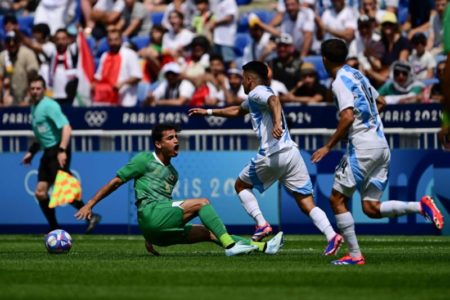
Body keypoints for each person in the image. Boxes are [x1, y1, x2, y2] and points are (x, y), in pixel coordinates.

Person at [189, 61, 343, 256]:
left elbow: (274, 100)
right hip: (291, 154)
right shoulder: (255, 98)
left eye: (244, 78)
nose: (242, 83)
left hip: (273, 154)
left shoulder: (258, 92)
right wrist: (208, 111)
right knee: (306, 202)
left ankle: (262, 224)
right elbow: (237, 110)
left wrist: (277, 123)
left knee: (241, 186)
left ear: (250, 80)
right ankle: (332, 236)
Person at [311, 39, 444, 265]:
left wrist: (328, 145)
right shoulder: (357, 75)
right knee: (370, 208)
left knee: (336, 199)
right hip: (381, 146)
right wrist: (368, 123)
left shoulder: (339, 82)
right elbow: (380, 101)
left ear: (324, 59)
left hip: (362, 148)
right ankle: (420, 206)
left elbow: (347, 116)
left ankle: (355, 256)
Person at [75, 123, 284, 256]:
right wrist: (90, 204)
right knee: (202, 202)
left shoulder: (173, 173)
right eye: (170, 138)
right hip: (150, 216)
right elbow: (115, 182)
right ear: (158, 144)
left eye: (176, 137)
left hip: (157, 233)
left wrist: (150, 236)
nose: (176, 141)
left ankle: (264, 248)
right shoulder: (143, 160)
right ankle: (231, 248)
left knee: (212, 234)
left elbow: (167, 206)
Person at [21, 76, 101, 233]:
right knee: (40, 192)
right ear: (29, 91)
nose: (35, 91)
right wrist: (31, 152)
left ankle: (91, 216)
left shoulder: (49, 106)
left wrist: (62, 150)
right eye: (33, 89)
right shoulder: (34, 107)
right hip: (48, 152)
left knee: (64, 189)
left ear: (44, 90)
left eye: (38, 88)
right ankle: (54, 228)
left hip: (58, 150)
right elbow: (42, 136)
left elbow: (66, 127)